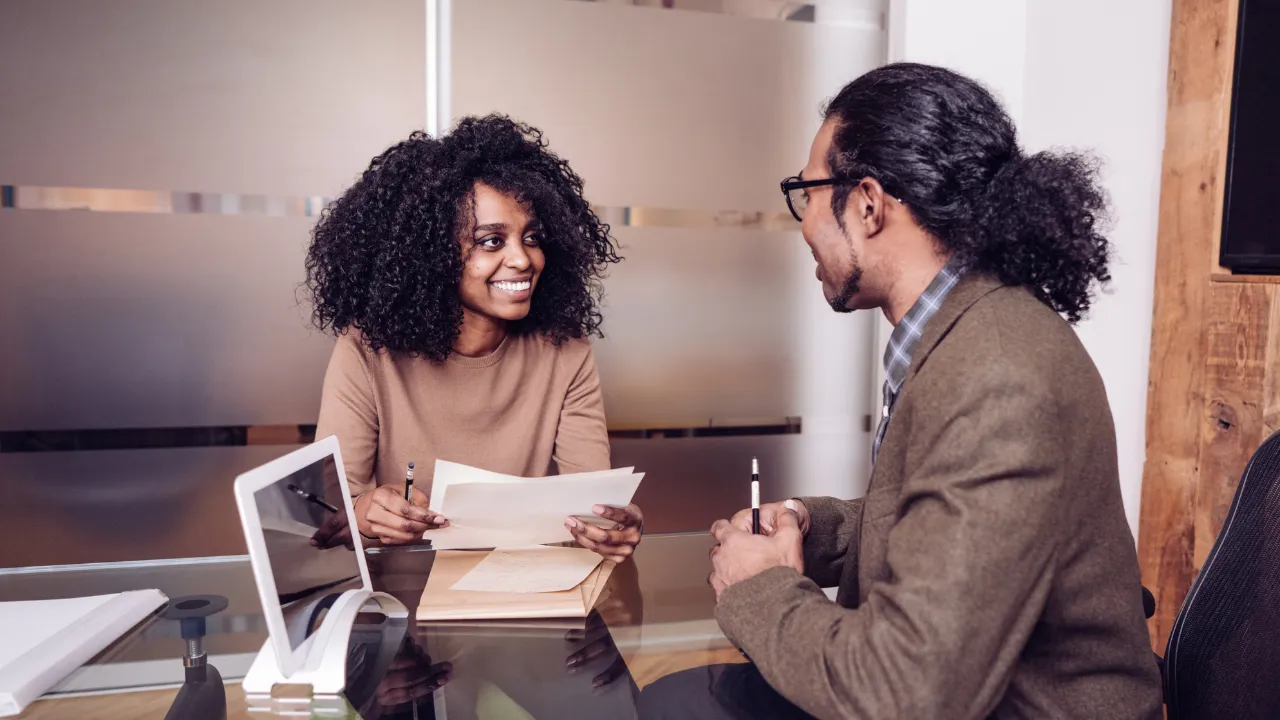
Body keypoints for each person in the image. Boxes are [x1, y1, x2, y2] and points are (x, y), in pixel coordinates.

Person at [641, 63, 1164, 718]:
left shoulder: (998, 377)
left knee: (670, 706)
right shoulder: (965, 331)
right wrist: (815, 528)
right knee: (671, 697)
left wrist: (761, 585)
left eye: (807, 195)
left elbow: (907, 693)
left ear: (867, 203)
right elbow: (947, 516)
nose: (804, 225)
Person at [306, 115, 643, 563]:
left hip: (524, 595)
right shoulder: (367, 352)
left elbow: (593, 502)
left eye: (532, 237)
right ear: (431, 254)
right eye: (491, 241)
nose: (522, 259)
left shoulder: (567, 352)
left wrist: (612, 525)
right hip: (399, 603)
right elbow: (327, 518)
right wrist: (365, 514)